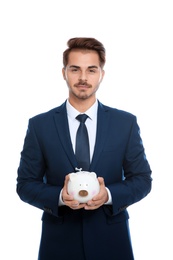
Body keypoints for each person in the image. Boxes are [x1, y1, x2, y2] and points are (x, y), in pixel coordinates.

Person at [16, 37, 152, 260]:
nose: (82, 78)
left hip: (112, 243)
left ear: (101, 74)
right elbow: (25, 184)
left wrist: (108, 195)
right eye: (75, 69)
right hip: (58, 245)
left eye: (91, 70)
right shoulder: (40, 125)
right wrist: (60, 196)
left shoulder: (124, 123)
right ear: (64, 73)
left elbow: (143, 179)